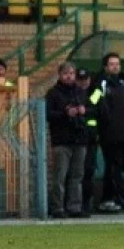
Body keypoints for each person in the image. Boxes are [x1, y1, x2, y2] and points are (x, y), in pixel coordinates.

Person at [89, 52, 124, 213]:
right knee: (115, 164)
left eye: (117, 63)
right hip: (108, 132)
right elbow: (93, 102)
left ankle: (107, 199)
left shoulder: (122, 84)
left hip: (122, 132)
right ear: (105, 67)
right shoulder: (101, 83)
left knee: (113, 165)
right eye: (112, 64)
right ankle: (122, 197)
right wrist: (104, 121)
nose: (115, 66)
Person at [45, 62, 92, 219]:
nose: (69, 76)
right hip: (62, 140)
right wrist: (65, 113)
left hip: (80, 140)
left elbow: (94, 109)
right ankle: (57, 207)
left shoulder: (81, 92)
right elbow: (47, 114)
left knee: (77, 176)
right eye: (66, 73)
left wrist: (84, 111)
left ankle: (74, 207)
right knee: (60, 176)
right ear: (59, 75)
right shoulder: (52, 93)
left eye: (71, 73)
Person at [77, 68, 98, 215]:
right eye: (81, 79)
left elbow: (96, 109)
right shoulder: (73, 92)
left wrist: (84, 111)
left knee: (88, 171)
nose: (83, 82)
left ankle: (86, 203)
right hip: (76, 137)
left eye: (86, 79)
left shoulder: (96, 92)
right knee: (76, 172)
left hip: (91, 138)